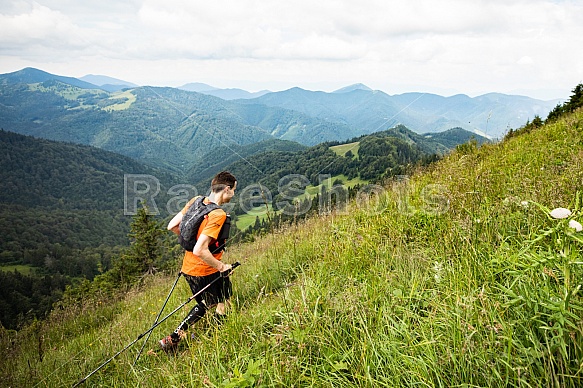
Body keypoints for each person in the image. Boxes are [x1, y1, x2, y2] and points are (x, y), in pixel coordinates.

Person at [159, 171, 237, 352]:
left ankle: (173, 339)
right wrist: (222, 266)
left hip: (188, 268)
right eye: (234, 190)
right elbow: (200, 250)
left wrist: (194, 242)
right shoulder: (218, 214)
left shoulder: (196, 201)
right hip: (207, 269)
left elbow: (172, 226)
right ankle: (219, 337)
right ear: (226, 189)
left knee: (205, 303)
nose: (233, 194)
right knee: (224, 301)